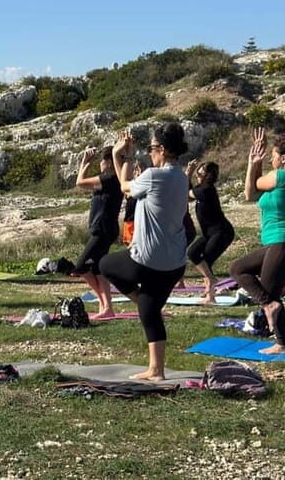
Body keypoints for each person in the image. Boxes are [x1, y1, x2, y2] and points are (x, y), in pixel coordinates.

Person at [100, 124, 189, 381]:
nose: (150, 153)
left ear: (162, 149)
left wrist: (120, 156)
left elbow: (124, 186)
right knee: (150, 311)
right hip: (175, 262)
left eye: (151, 148)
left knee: (106, 265)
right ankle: (156, 370)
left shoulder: (154, 176)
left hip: (148, 260)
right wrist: (126, 158)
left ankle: (141, 300)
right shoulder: (182, 177)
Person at [229, 128, 285, 355]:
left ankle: (281, 341)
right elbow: (251, 193)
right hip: (281, 244)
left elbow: (253, 186)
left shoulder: (283, 176)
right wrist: (254, 162)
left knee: (269, 293)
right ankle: (278, 331)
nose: (270, 159)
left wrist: (253, 163)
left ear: (283, 159)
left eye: (273, 156)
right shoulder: (282, 180)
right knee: (239, 269)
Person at [73, 146, 124, 318]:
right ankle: (107, 307)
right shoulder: (112, 180)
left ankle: (104, 303)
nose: (100, 164)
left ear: (108, 161)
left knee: (81, 266)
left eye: (102, 160)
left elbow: (80, 183)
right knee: (97, 269)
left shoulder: (110, 178)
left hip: (103, 229)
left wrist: (85, 162)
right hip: (104, 228)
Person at [186, 160, 235, 303]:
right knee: (193, 252)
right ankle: (211, 282)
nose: (198, 174)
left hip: (222, 232)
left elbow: (184, 194)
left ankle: (210, 295)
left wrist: (188, 174)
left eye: (200, 172)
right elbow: (187, 197)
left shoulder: (206, 190)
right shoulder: (201, 189)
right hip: (210, 233)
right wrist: (190, 174)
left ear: (208, 175)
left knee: (207, 261)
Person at [121, 161, 144, 246]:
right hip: (130, 222)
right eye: (135, 170)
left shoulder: (144, 186)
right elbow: (123, 184)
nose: (138, 172)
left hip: (140, 222)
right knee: (131, 247)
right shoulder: (130, 188)